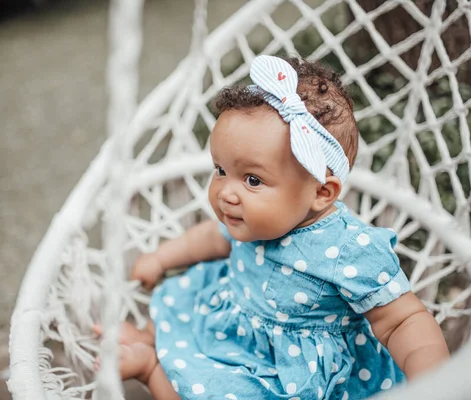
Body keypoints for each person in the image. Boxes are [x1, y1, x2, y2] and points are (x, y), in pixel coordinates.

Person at [105, 55, 449, 399]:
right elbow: (211, 237)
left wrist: (431, 376)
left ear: (321, 192)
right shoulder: (248, 220)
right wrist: (161, 258)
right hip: (232, 323)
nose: (226, 192)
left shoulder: (349, 249)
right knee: (182, 306)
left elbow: (402, 320)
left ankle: (151, 367)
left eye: (252, 179)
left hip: (289, 370)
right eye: (220, 170)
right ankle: (151, 340)